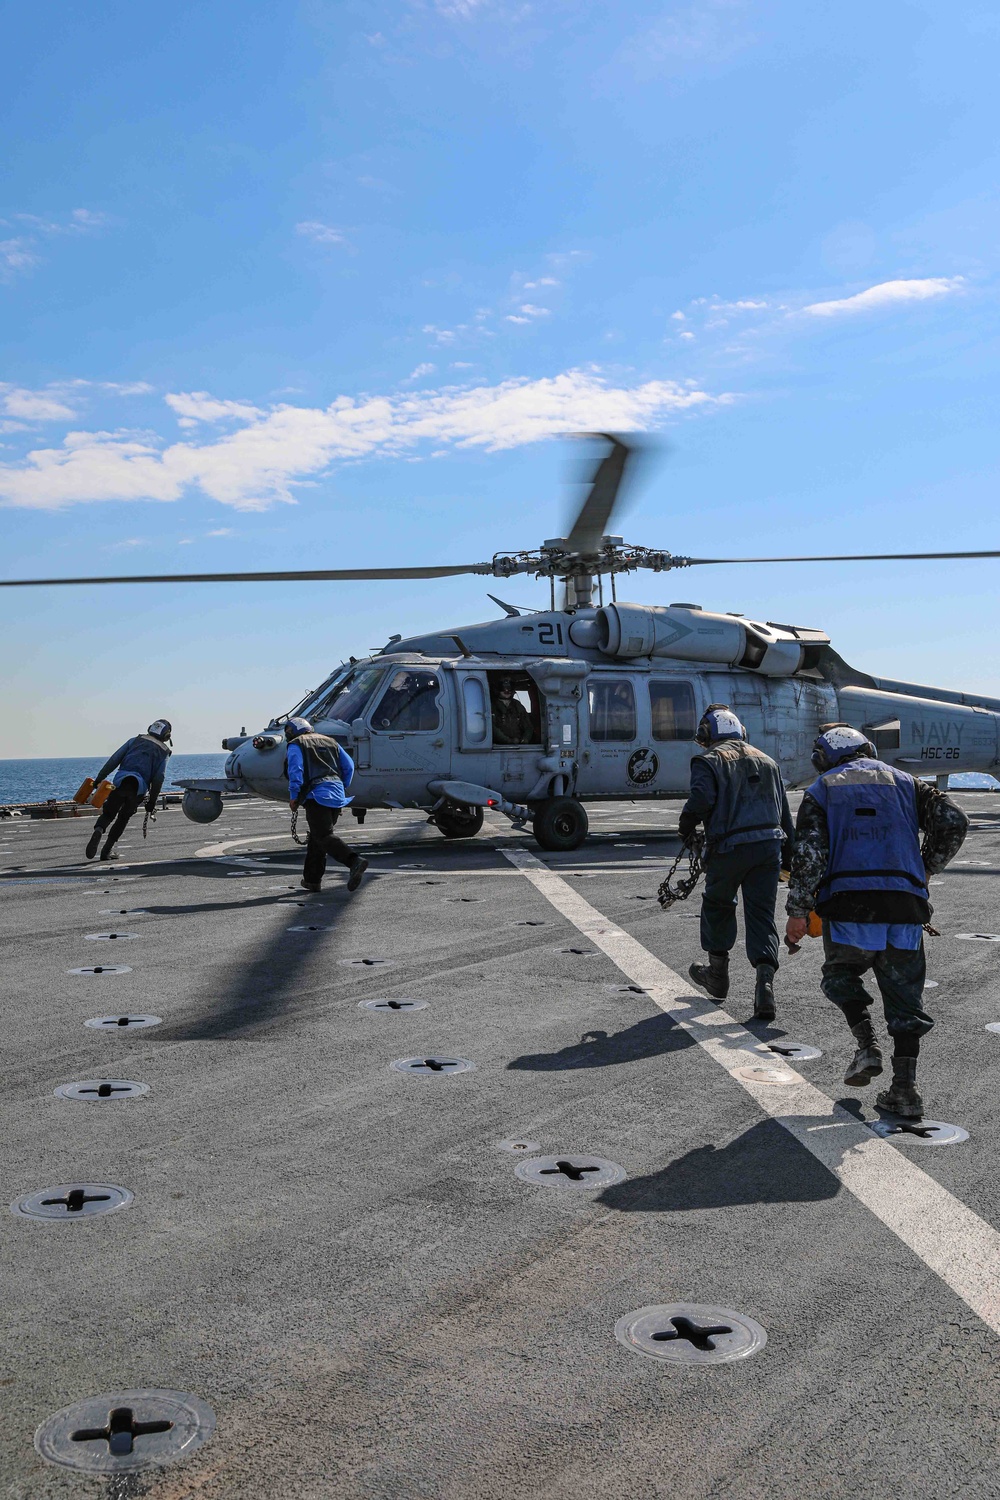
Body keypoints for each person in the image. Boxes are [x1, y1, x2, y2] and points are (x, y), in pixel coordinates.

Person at [785, 723, 967, 1119]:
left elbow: (810, 856)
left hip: (849, 908)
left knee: (841, 976)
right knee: (905, 1001)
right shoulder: (908, 783)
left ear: (825, 758)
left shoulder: (822, 790)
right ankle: (905, 1090)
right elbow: (954, 821)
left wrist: (797, 912)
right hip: (905, 907)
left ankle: (866, 1045)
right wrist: (926, 867)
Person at [679, 703, 795, 1020]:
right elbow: (784, 815)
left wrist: (686, 825)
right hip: (768, 849)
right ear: (741, 731)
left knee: (718, 905)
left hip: (728, 849)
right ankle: (765, 988)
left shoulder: (708, 760)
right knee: (761, 915)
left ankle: (717, 977)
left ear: (706, 734)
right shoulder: (768, 762)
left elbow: (701, 800)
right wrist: (790, 859)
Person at [285, 716, 368, 893]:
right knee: (317, 839)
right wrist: (340, 785)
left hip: (317, 795)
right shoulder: (331, 741)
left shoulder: (296, 744)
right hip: (336, 793)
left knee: (323, 836)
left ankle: (353, 861)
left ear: (290, 732)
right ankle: (312, 881)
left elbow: (296, 770)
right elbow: (349, 766)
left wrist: (294, 796)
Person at [84, 719, 173, 862]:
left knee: (108, 813)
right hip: (138, 789)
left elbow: (114, 760)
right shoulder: (164, 751)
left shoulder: (134, 740)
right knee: (123, 818)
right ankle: (106, 851)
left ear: (150, 728)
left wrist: (99, 779)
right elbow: (159, 778)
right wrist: (152, 801)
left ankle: (98, 830)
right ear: (167, 736)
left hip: (120, 782)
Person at [491, 676, 534, 745]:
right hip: (498, 746)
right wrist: (508, 741)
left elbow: (528, 726)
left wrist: (525, 739)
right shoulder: (492, 706)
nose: (507, 691)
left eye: (509, 688)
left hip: (517, 746)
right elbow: (492, 728)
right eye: (503, 688)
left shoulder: (517, 705)